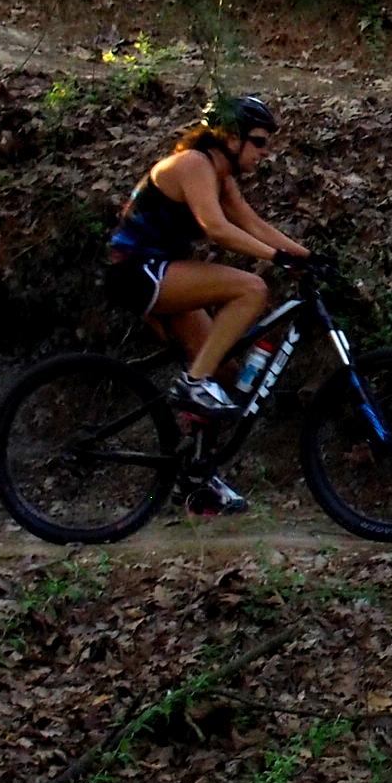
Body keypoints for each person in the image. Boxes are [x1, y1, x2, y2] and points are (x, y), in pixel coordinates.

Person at [102, 93, 310, 513]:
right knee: (251, 289)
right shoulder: (194, 164)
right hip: (137, 269)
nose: (264, 153)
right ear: (229, 138)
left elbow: (251, 223)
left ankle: (197, 480)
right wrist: (276, 259)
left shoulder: (221, 176)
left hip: (159, 268)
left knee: (224, 369)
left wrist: (307, 258)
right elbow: (216, 228)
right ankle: (192, 384)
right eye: (258, 141)